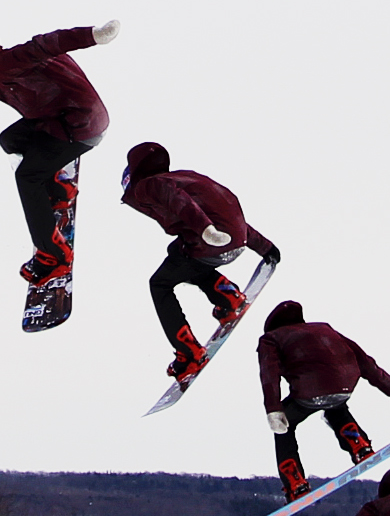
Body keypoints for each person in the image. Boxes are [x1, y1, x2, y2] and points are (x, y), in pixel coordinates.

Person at [0, 16, 117, 286]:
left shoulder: (4, 66)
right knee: (10, 140)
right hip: (65, 119)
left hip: (81, 126)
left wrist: (93, 35)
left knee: (27, 177)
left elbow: (46, 45)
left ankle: (54, 256)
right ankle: (59, 189)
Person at [120, 142, 280, 379]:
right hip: (234, 245)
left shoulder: (149, 185)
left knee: (160, 284)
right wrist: (265, 247)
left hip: (210, 243)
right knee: (179, 254)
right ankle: (227, 296)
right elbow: (224, 214)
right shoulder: (186, 177)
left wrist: (207, 231)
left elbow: (180, 202)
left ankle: (188, 352)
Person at [254, 300, 390, 499]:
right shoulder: (325, 329)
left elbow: (269, 375)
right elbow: (366, 363)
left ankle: (295, 482)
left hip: (308, 390)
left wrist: (273, 410)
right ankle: (359, 445)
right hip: (344, 386)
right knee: (336, 408)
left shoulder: (271, 338)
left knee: (284, 427)